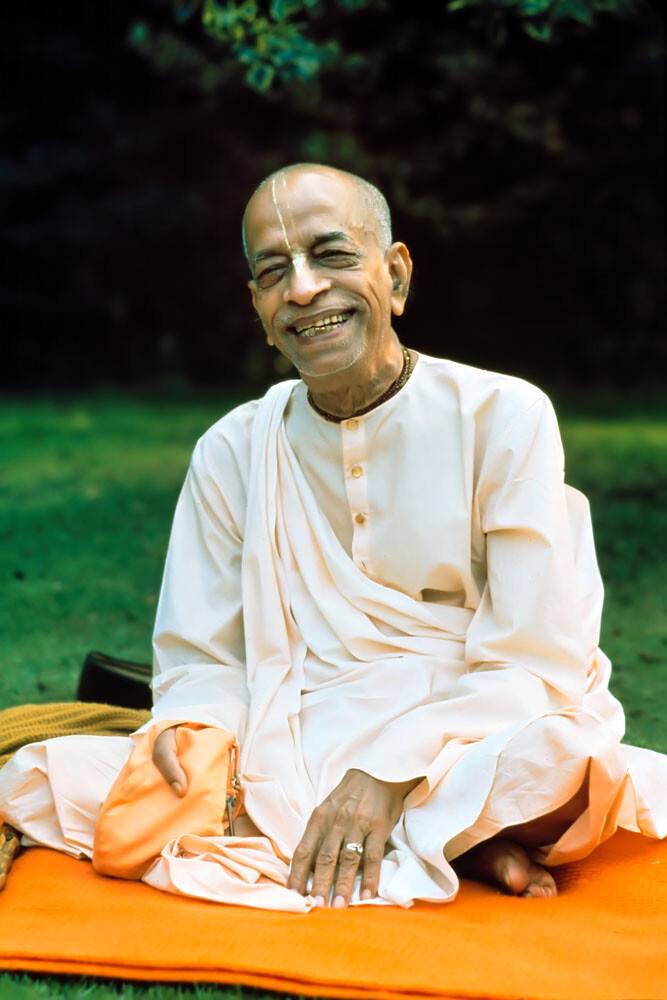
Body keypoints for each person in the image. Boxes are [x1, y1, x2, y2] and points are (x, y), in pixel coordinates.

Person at [0, 163, 664, 912]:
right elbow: (202, 658)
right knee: (42, 772)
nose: (305, 290)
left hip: (468, 727)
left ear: (397, 274)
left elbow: (532, 661)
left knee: (564, 765)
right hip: (291, 727)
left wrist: (387, 773)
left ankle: (406, 828)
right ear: (258, 305)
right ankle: (454, 843)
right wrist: (195, 729)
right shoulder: (232, 448)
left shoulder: (501, 416)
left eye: (332, 255)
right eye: (274, 272)